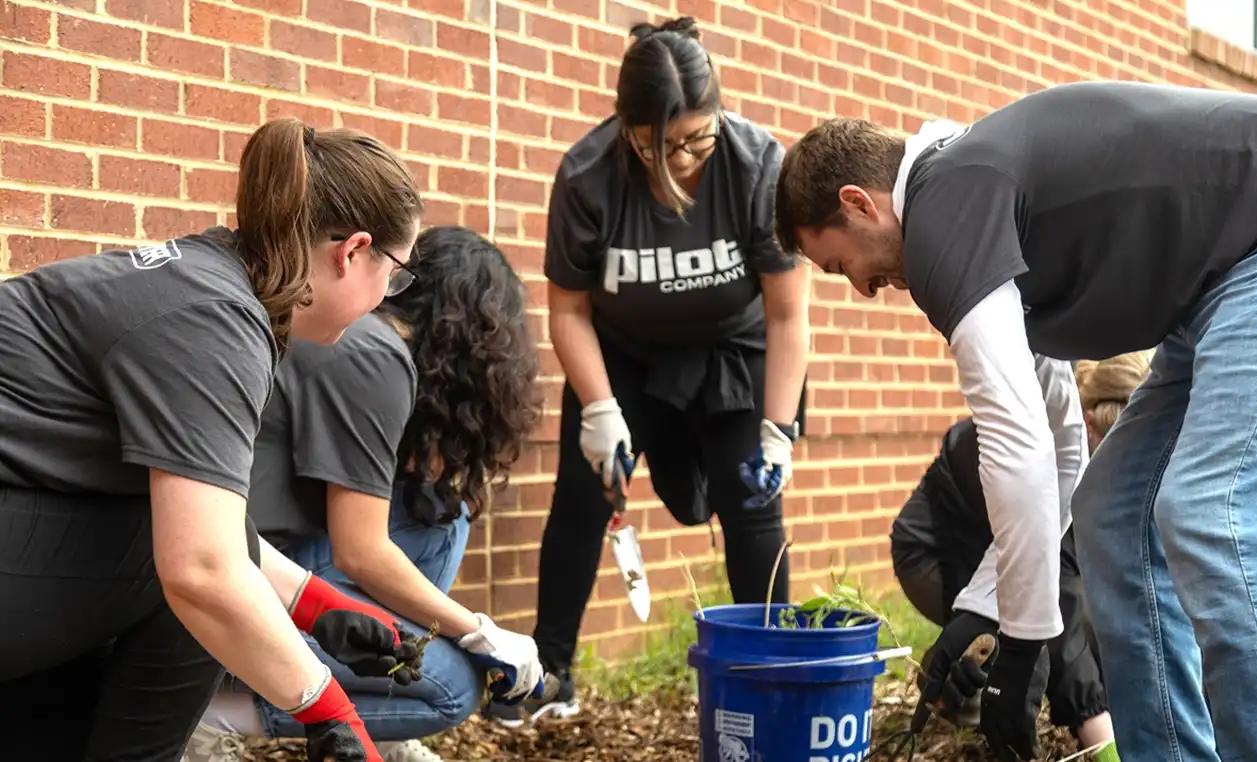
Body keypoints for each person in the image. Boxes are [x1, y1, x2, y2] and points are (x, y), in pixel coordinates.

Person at [774, 82, 1257, 761]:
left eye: (843, 264)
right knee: (1111, 514)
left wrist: (1025, 643)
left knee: (1213, 511)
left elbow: (1014, 441)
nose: (864, 289)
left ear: (858, 203)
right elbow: (1052, 437)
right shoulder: (970, 197)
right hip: (1218, 288)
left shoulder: (946, 213)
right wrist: (989, 606)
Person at [0, 119, 427, 761]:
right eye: (394, 274)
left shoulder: (210, 281)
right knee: (201, 586)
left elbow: (199, 528)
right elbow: (203, 568)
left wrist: (314, 605)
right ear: (352, 252)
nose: (388, 294)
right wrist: (328, 710)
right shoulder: (217, 322)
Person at [509, 16, 811, 723]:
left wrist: (778, 430)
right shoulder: (588, 175)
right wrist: (601, 410)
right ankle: (552, 675)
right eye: (664, 144)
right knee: (582, 502)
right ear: (630, 130)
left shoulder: (757, 164)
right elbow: (570, 312)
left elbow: (789, 315)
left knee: (751, 505)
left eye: (699, 137)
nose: (684, 158)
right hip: (623, 357)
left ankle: (776, 675)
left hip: (733, 355)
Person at [186, 227, 545, 762]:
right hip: (224, 592)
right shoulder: (371, 354)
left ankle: (378, 712)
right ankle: (212, 716)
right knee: (452, 687)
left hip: (243, 555)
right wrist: (481, 634)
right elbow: (361, 551)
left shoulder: (352, 336)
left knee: (438, 517)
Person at [896, 353, 1151, 756]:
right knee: (1016, 629)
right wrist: (1101, 738)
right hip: (935, 550)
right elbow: (1055, 606)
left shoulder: (1095, 448)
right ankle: (951, 690)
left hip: (994, 542)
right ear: (1088, 423)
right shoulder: (1043, 447)